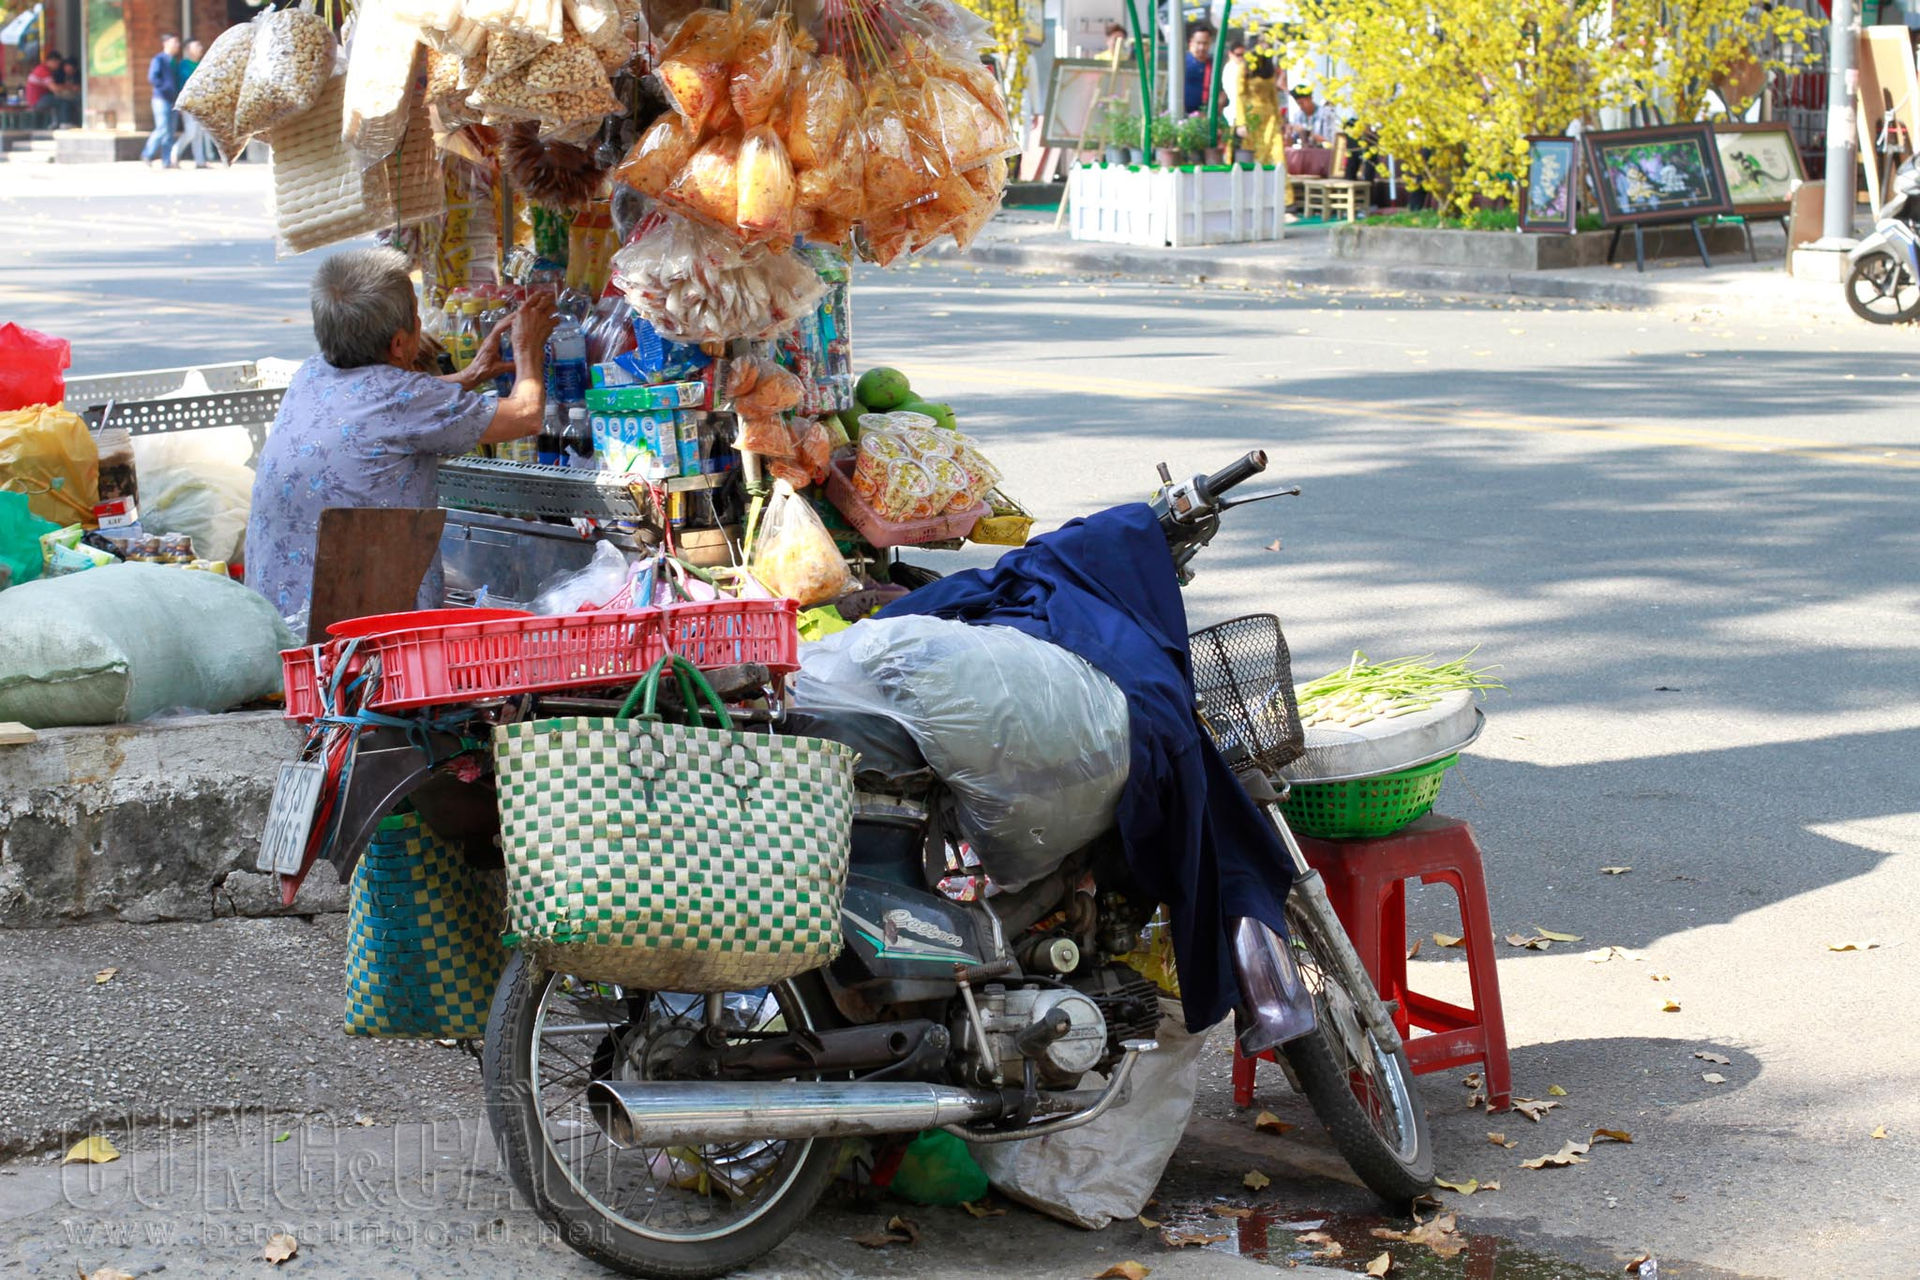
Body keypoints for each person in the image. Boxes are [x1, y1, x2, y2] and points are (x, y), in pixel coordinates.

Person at [246, 248, 555, 628]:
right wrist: (528, 347)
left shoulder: (310, 376)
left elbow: (383, 408)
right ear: (397, 344)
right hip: (355, 636)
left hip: (278, 621)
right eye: (416, 316)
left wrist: (469, 376)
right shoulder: (403, 400)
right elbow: (525, 415)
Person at [139, 34, 181, 168]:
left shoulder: (175, 61)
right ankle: (147, 154)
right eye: (174, 42)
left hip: (173, 100)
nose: (177, 45)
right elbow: (153, 78)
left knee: (170, 132)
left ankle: (166, 160)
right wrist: (165, 88)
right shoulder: (159, 59)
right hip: (161, 99)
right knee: (162, 128)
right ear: (166, 43)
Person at [170, 40, 213, 167]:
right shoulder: (184, 65)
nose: (200, 48)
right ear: (188, 50)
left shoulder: (200, 64)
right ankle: (174, 153)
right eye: (196, 46)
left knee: (198, 133)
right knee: (191, 131)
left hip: (200, 102)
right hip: (188, 102)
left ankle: (200, 161)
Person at [1236, 51, 1284, 166]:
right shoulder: (1245, 67)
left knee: (1277, 154)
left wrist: (1279, 120)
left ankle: (1280, 183)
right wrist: (1241, 122)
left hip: (1270, 119)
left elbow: (1273, 96)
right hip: (1252, 119)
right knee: (1254, 156)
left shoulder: (1269, 65)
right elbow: (1240, 96)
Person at [1286, 84, 1340, 149]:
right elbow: (1293, 140)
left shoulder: (1325, 114)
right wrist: (1289, 134)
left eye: (1302, 103)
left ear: (1310, 98)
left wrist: (1308, 134)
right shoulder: (1298, 116)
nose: (1301, 106)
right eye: (1298, 104)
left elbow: (1332, 140)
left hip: (1324, 154)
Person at [1183, 24, 1214, 115]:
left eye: (1205, 43)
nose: (1202, 47)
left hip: (1205, 115)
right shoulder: (1182, 63)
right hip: (1183, 116)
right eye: (1198, 43)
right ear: (1191, 42)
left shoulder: (1212, 64)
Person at [22, 53, 57, 126]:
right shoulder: (43, 70)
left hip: (33, 101)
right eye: (57, 63)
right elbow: (54, 88)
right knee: (61, 100)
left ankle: (54, 123)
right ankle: (64, 123)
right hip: (37, 101)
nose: (57, 66)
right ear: (52, 61)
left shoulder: (40, 69)